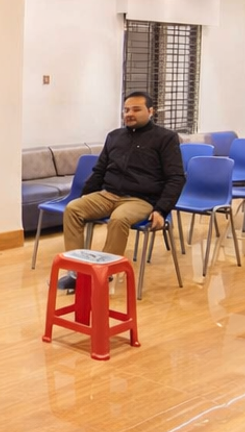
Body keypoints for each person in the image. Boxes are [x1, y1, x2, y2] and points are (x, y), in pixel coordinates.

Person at [58, 91, 186, 290]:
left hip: (140, 200)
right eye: (126, 110)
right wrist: (86, 195)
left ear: (151, 111)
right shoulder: (114, 136)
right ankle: (77, 272)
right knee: (73, 208)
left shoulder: (166, 138)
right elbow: (99, 170)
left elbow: (176, 178)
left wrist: (161, 210)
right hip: (108, 194)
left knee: (119, 219)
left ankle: (102, 274)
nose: (129, 114)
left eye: (136, 109)